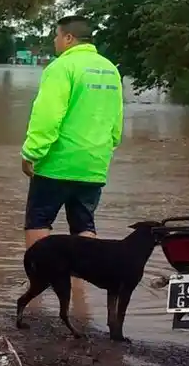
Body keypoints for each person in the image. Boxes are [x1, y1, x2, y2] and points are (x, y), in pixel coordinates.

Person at [21, 15, 124, 249]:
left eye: (56, 36)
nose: (55, 42)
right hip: (94, 164)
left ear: (68, 38)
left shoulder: (61, 67)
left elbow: (47, 116)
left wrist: (31, 153)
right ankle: (81, 285)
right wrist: (105, 149)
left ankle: (41, 280)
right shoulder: (110, 69)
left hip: (56, 164)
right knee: (83, 226)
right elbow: (116, 121)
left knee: (38, 221)